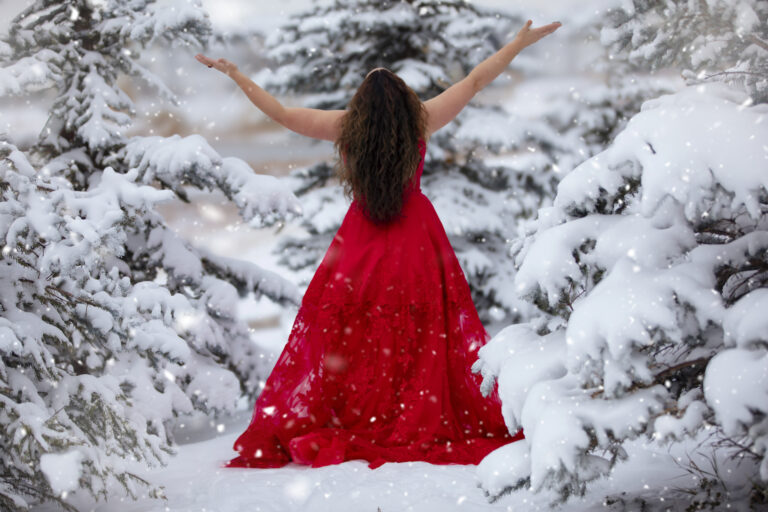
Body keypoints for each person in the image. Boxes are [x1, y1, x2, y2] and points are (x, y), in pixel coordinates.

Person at [195, 19, 561, 470]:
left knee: (358, 327)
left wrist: (236, 75)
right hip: (416, 236)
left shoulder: (347, 127)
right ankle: (412, 404)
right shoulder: (421, 120)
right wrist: (517, 45)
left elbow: (283, 114)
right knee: (423, 326)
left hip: (362, 239)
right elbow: (475, 80)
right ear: (404, 102)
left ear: (363, 107)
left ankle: (368, 409)